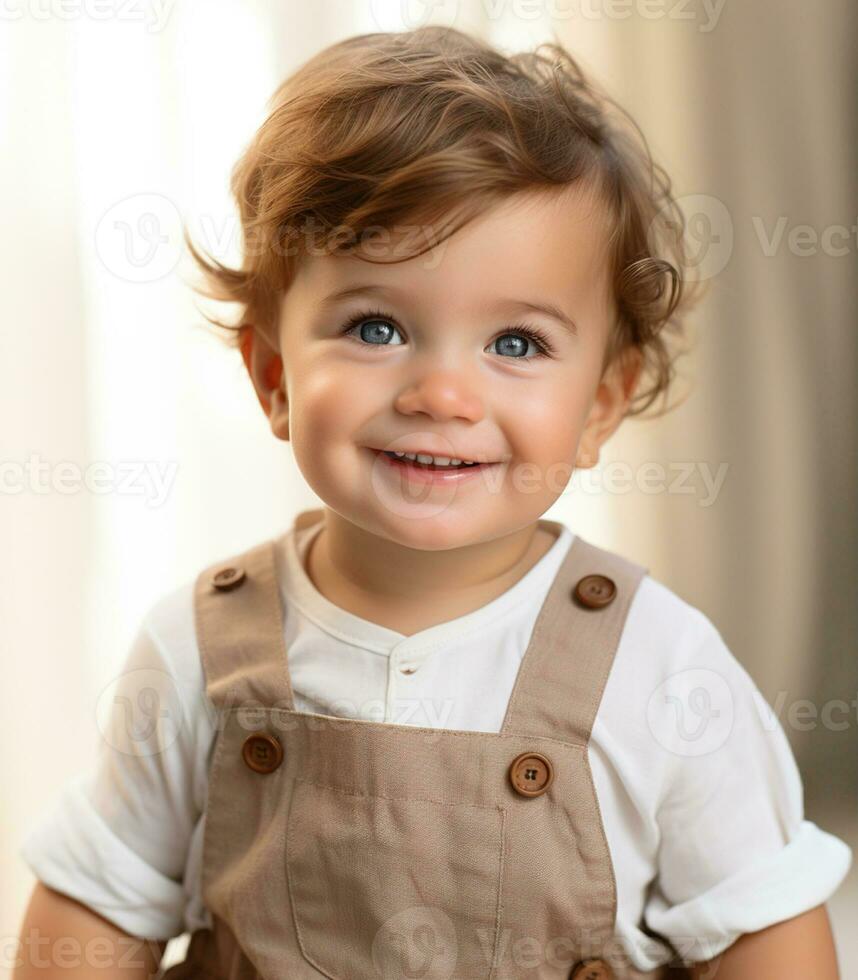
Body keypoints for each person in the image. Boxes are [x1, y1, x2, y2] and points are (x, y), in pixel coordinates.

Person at [15, 25, 852, 980]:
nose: (441, 395)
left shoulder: (659, 666)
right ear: (274, 375)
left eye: (517, 344)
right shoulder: (197, 652)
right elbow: (93, 910)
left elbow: (765, 931)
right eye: (377, 326)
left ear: (600, 406)